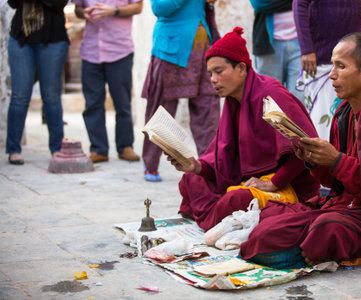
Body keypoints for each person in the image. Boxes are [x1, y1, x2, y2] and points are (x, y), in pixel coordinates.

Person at [240, 32, 361, 270]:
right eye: (332, 66)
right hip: (350, 205)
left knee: (326, 229)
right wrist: (315, 160)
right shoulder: (344, 112)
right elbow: (338, 185)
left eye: (340, 67)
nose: (332, 75)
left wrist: (337, 161)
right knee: (269, 221)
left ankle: (333, 248)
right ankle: (310, 249)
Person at [167, 27, 320, 231]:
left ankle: (217, 220)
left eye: (219, 72)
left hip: (288, 187)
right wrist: (195, 166)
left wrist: (273, 183)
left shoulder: (270, 95)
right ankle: (220, 219)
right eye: (210, 73)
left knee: (237, 199)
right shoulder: (233, 103)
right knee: (191, 179)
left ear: (241, 68)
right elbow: (223, 159)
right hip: (251, 182)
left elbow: (305, 149)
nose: (213, 79)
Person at [141, 0, 221, 182]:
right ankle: (150, 164)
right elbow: (159, 8)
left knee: (208, 110)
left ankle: (208, 165)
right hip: (169, 49)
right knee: (160, 110)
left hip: (203, 51)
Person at [74, 0, 142, 163]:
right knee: (92, 104)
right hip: (90, 50)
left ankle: (126, 146)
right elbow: (77, 9)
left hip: (120, 50)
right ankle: (98, 149)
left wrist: (114, 10)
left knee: (122, 102)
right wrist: (83, 13)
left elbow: (138, 7)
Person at [293, 0, 361, 141]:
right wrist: (307, 49)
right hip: (324, 62)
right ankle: (327, 162)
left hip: (356, 58)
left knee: (354, 126)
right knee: (324, 126)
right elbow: (299, 5)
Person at [6, 0, 69, 165]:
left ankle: (57, 148)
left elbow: (59, 3)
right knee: (19, 96)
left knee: (51, 96)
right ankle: (14, 149)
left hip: (53, 39)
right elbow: (13, 3)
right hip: (21, 38)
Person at [249, 0, 304, 103]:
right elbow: (259, 4)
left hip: (300, 43)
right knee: (270, 100)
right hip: (268, 45)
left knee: (299, 100)